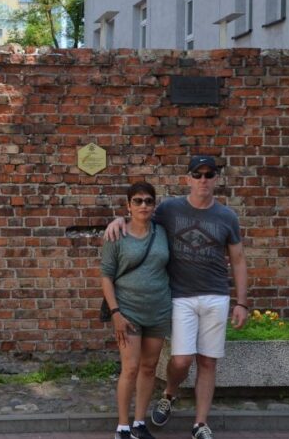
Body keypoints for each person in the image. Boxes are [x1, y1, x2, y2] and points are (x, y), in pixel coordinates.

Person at [105, 156, 249, 439]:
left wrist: (241, 302)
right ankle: (169, 394)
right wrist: (118, 219)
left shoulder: (227, 217)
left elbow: (239, 259)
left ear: (216, 178)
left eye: (209, 174)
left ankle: (200, 423)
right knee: (181, 361)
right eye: (198, 174)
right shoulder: (170, 208)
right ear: (188, 179)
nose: (203, 179)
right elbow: (140, 217)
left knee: (208, 362)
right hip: (180, 296)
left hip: (216, 295)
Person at [101, 182, 171, 439]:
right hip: (127, 311)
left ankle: (140, 423)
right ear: (128, 205)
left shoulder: (163, 232)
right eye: (138, 201)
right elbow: (106, 276)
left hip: (158, 310)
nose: (143, 205)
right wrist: (116, 313)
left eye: (148, 201)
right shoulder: (116, 235)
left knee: (149, 367)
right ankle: (122, 425)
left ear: (154, 205)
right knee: (130, 368)